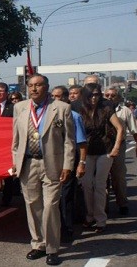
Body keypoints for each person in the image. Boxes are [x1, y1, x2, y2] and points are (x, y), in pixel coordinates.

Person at [12, 74, 75, 265]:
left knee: (50, 207)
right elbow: (15, 140)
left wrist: (68, 165)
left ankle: (52, 248)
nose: (34, 89)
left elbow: (69, 141)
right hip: (28, 164)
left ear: (46, 87)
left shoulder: (62, 108)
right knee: (33, 206)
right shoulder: (19, 107)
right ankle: (38, 244)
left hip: (53, 165)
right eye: (30, 85)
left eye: (38, 85)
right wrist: (15, 161)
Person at [78, 83, 123, 233]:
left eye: (97, 94)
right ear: (85, 96)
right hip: (87, 151)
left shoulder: (106, 108)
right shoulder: (80, 109)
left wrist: (116, 147)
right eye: (91, 95)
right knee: (86, 184)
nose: (94, 98)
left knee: (99, 185)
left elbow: (120, 128)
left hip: (105, 150)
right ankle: (90, 216)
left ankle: (100, 220)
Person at [51, 86, 88, 242]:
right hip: (51, 162)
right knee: (52, 197)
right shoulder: (47, 116)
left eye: (58, 96)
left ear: (66, 98)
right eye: (53, 96)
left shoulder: (74, 116)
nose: (55, 100)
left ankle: (66, 229)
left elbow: (81, 144)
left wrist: (81, 163)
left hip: (68, 162)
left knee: (66, 197)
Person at [104, 87, 136, 215]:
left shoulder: (125, 111)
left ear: (118, 97)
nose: (110, 97)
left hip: (119, 146)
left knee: (119, 176)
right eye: (107, 95)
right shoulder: (99, 109)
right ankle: (103, 206)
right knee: (102, 178)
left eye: (113, 95)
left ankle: (122, 203)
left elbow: (134, 130)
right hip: (102, 147)